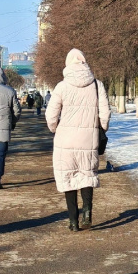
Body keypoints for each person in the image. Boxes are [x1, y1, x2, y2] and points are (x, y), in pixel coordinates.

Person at [46, 48, 110, 232]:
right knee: (86, 175)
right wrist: (100, 129)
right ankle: (87, 213)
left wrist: (55, 129)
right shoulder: (97, 85)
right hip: (88, 140)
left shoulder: (61, 86)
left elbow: (51, 115)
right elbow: (104, 114)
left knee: (68, 177)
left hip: (64, 140)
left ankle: (73, 221)